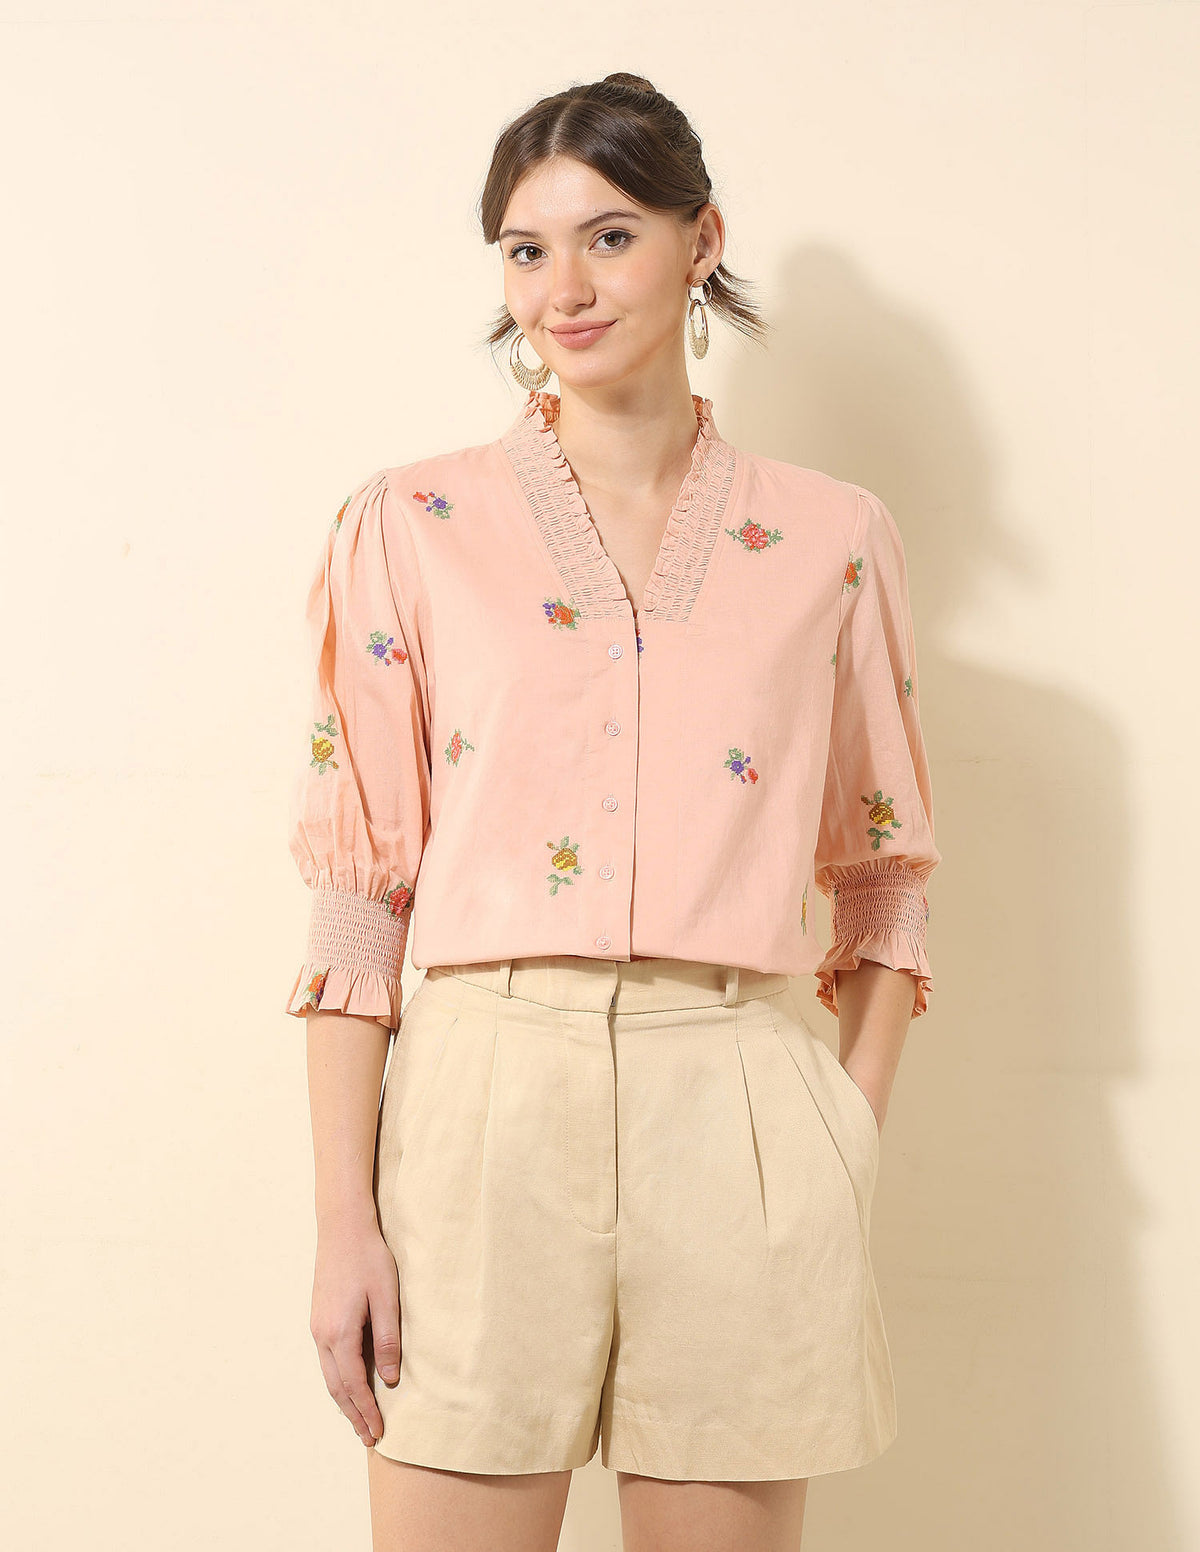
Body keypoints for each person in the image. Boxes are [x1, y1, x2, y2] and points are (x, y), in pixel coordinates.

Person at [285, 71, 942, 1552]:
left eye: (610, 237)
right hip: (483, 1105)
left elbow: (885, 871)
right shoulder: (410, 524)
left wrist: (843, 1132)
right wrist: (342, 1220)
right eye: (526, 250)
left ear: (703, 240)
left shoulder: (834, 536)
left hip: (742, 1106)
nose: (563, 290)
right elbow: (358, 898)